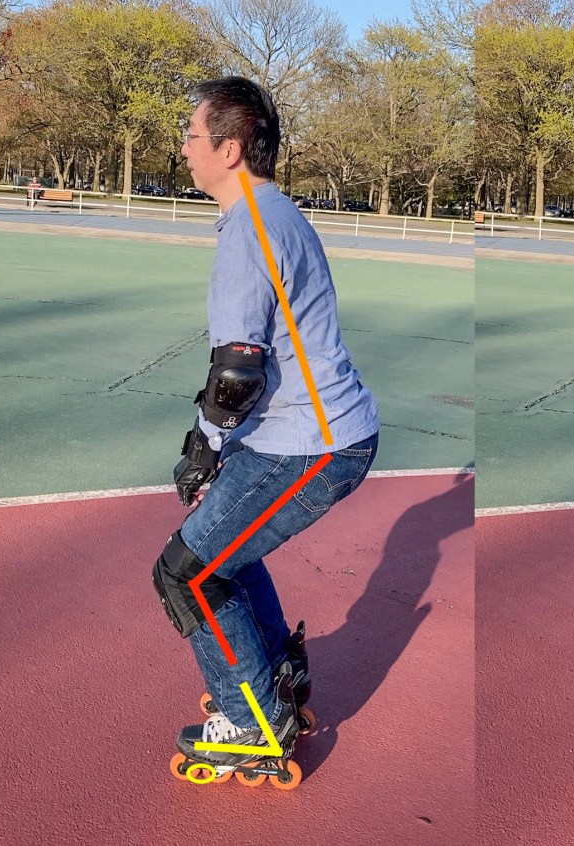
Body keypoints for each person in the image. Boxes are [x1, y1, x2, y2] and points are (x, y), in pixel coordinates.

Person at [154, 76, 380, 783]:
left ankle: (252, 720)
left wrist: (203, 448)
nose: (184, 148)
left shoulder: (250, 228)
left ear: (229, 148)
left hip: (311, 443)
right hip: (310, 432)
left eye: (192, 135)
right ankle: (273, 676)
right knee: (227, 555)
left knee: (186, 574)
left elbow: (237, 372)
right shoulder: (274, 212)